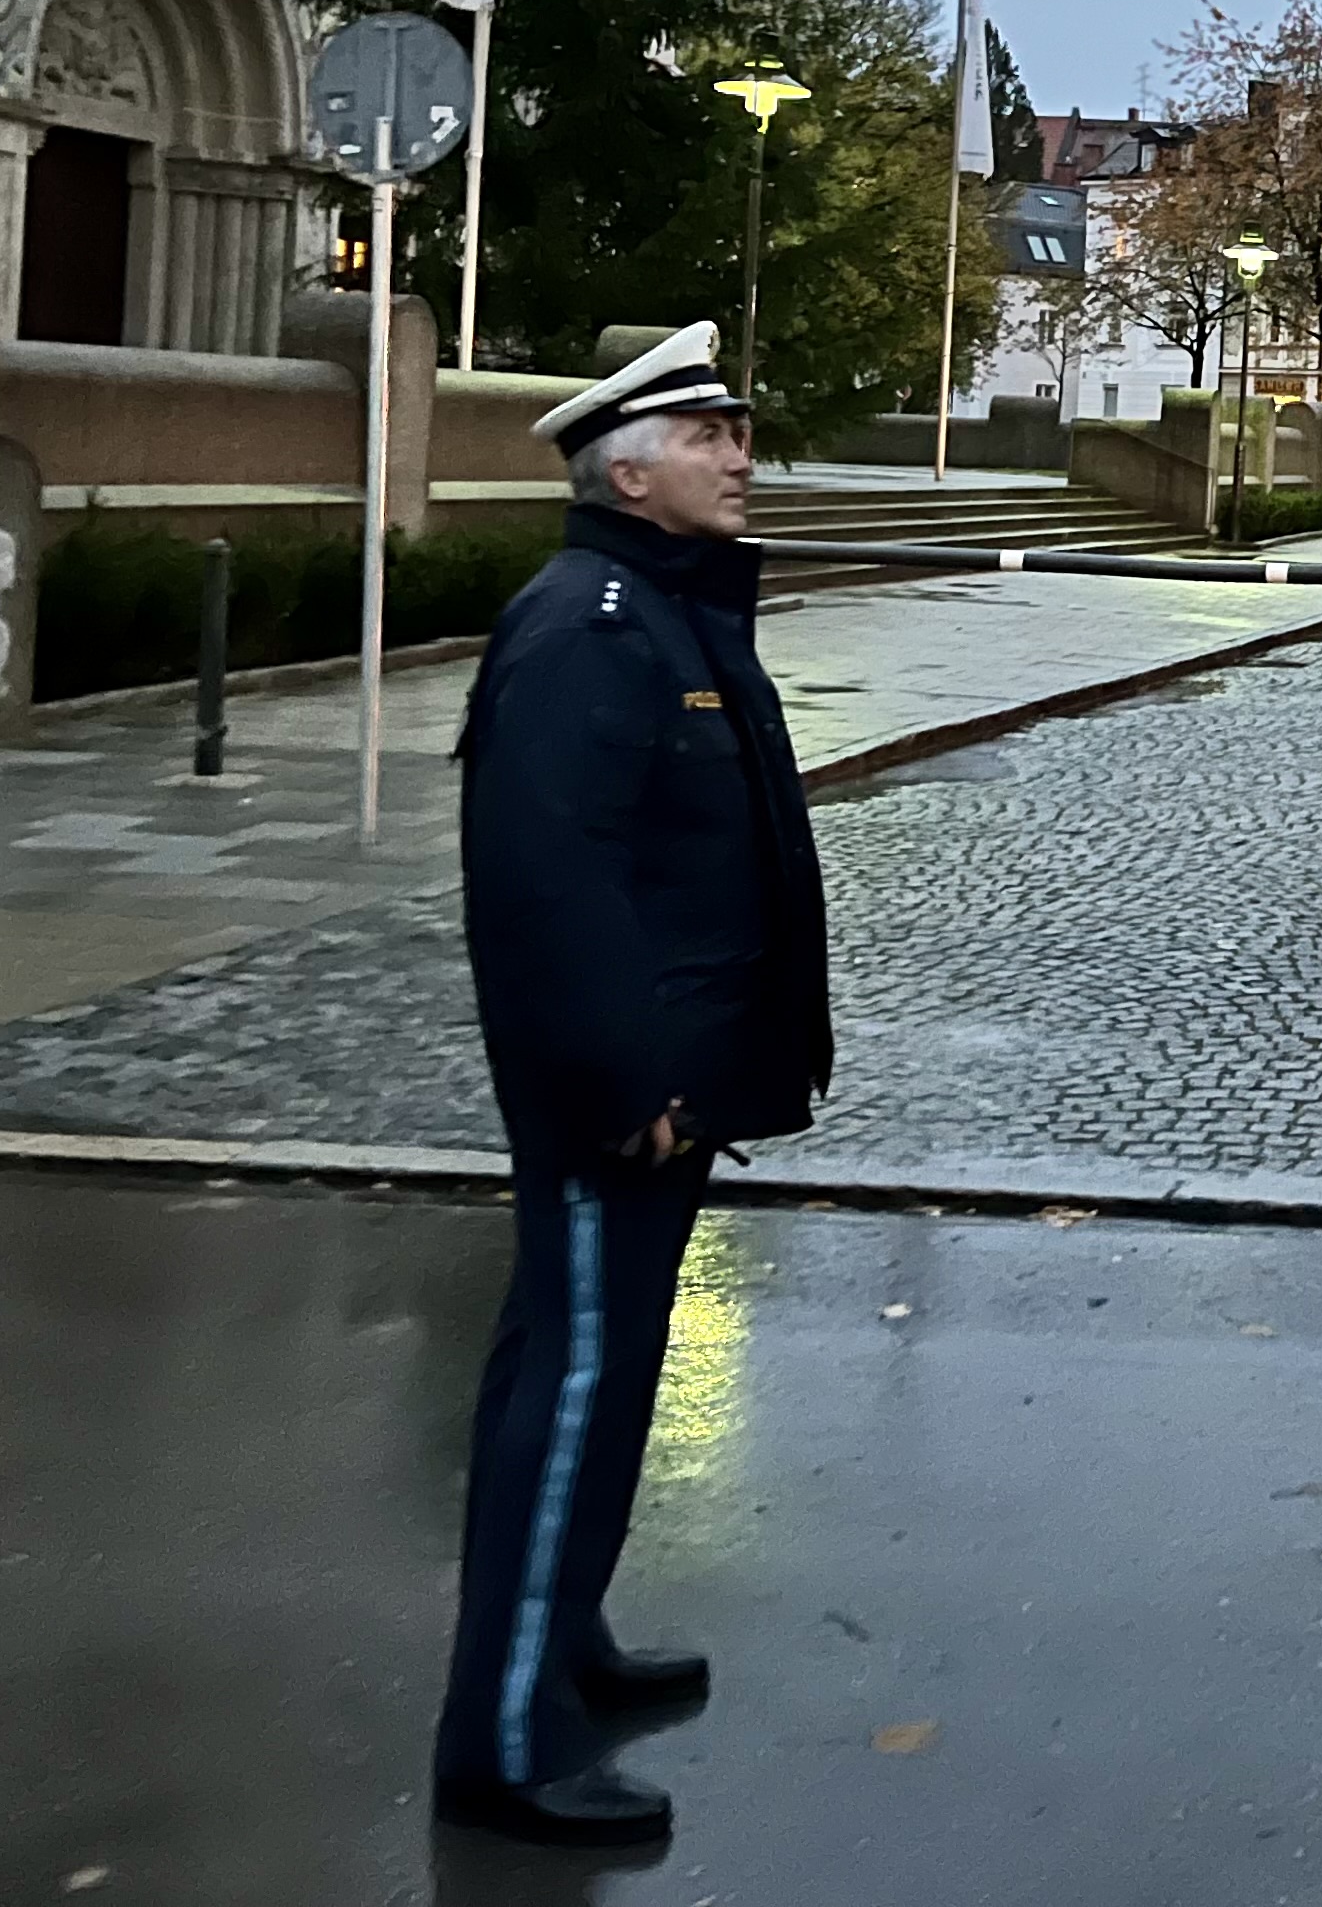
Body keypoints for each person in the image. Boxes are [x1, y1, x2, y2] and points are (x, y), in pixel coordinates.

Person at [432, 321, 832, 1847]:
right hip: (622, 1087)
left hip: (663, 1072)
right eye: (714, 432)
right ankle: (508, 1738)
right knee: (577, 1382)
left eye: (739, 427)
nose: (742, 454)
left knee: (584, 1366)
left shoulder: (658, 607)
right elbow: (549, 883)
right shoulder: (595, 628)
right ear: (632, 465)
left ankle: (562, 1638)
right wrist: (623, 1078)